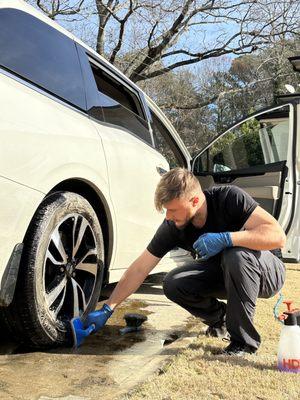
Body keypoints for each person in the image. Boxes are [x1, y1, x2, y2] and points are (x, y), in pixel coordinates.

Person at [86, 168, 286, 356]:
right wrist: (108, 307)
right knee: (174, 282)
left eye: (173, 209)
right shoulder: (173, 226)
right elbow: (140, 268)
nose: (168, 216)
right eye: (166, 210)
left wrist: (228, 238)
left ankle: (243, 343)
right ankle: (220, 320)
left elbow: (277, 236)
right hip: (226, 274)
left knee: (235, 254)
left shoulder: (229, 198)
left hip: (266, 272)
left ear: (195, 200)